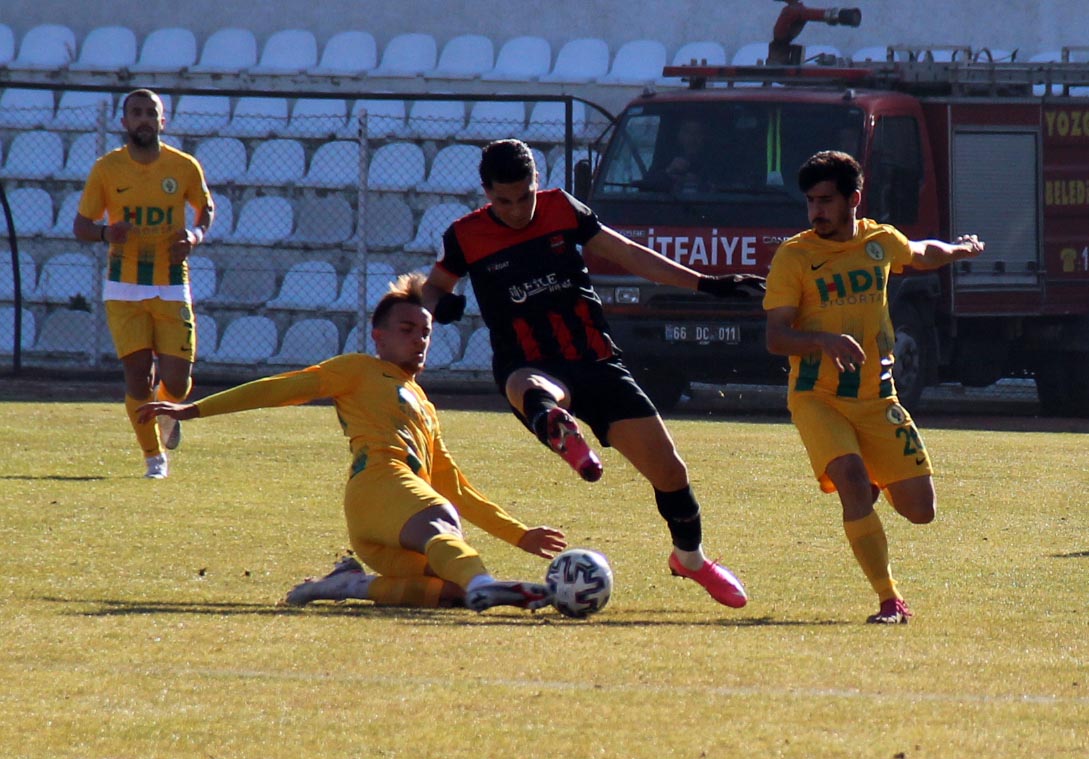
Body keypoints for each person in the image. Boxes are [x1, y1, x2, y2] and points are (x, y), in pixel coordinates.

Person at [423, 138, 765, 609]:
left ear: (536, 184)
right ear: (486, 193)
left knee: (670, 470)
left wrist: (707, 282)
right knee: (530, 388)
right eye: (504, 200)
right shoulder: (466, 236)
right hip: (529, 363)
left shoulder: (562, 208)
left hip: (596, 359)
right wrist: (443, 303)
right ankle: (563, 432)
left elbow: (628, 253)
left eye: (525, 196)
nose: (517, 209)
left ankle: (690, 559)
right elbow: (433, 287)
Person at [137, 272, 565, 613]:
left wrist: (520, 535)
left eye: (425, 332)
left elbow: (454, 483)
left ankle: (350, 585)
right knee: (441, 518)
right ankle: (486, 586)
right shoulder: (357, 369)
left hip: (381, 525)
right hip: (382, 483)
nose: (418, 339)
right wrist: (194, 409)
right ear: (378, 336)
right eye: (406, 329)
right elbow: (281, 388)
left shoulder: (424, 405)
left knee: (446, 589)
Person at [763, 150, 985, 624]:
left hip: (876, 397)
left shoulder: (879, 242)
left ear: (854, 200)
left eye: (826, 200)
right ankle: (890, 599)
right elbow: (776, 337)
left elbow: (921, 253)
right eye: (810, 201)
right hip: (817, 397)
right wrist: (822, 339)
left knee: (922, 511)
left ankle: (873, 481)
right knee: (849, 478)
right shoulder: (795, 256)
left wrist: (959, 251)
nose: (816, 211)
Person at [73, 88, 214, 479]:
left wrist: (194, 237)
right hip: (124, 287)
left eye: (150, 113)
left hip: (171, 284)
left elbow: (206, 210)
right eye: (136, 113)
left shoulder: (184, 166)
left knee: (178, 383)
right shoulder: (107, 169)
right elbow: (81, 226)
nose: (143, 119)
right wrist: (106, 235)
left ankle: (168, 413)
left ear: (162, 121)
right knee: (138, 377)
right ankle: (154, 457)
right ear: (124, 121)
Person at [643, 118, 713, 194]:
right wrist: (668, 173)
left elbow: (722, 188)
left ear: (705, 137)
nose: (692, 139)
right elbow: (645, 187)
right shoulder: (665, 159)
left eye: (698, 133)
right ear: (679, 136)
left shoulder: (715, 163)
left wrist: (701, 183)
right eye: (687, 132)